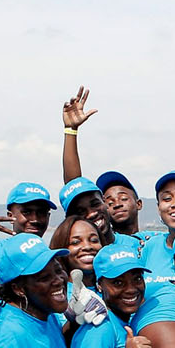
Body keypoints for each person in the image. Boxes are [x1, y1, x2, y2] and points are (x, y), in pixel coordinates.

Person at [59, 87, 146, 241]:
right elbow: (74, 186)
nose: (117, 204)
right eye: (110, 201)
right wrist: (71, 131)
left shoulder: (149, 242)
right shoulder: (90, 248)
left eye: (123, 198)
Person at [58, 176, 114, 245]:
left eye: (95, 204)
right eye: (81, 212)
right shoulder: (66, 251)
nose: (92, 214)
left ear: (104, 202)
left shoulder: (127, 244)